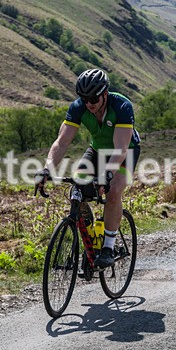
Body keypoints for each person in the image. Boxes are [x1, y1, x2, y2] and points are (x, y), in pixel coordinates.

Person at [35, 68, 141, 269]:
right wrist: (47, 169)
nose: (89, 103)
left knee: (114, 190)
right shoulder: (79, 107)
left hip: (126, 152)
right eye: (84, 99)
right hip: (97, 150)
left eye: (93, 98)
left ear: (104, 93)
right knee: (77, 188)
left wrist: (107, 175)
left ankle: (108, 247)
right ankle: (89, 236)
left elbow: (121, 148)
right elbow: (62, 142)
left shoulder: (121, 106)